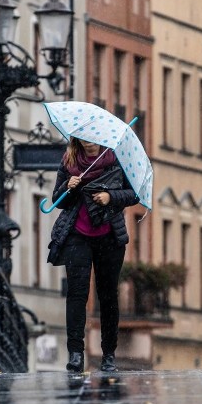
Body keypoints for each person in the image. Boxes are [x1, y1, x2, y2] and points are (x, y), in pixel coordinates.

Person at [47, 137, 140, 373]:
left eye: (93, 138)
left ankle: (109, 355)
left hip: (110, 236)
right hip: (77, 235)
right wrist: (69, 187)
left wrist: (110, 197)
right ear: (77, 138)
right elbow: (57, 201)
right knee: (77, 294)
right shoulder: (69, 161)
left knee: (107, 295)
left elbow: (133, 194)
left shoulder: (116, 161)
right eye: (84, 138)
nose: (89, 143)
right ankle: (76, 353)